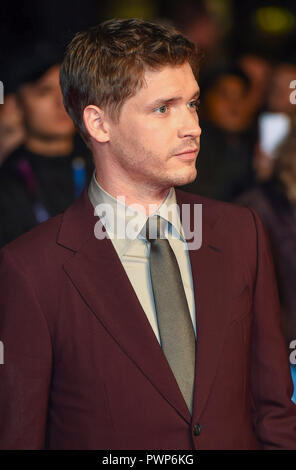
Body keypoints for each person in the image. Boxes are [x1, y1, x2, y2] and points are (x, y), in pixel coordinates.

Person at [0, 18, 295, 450]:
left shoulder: (240, 232)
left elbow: (273, 408)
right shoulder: (31, 269)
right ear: (99, 124)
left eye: (192, 104)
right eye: (163, 108)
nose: (192, 126)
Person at [0, 42, 93, 246]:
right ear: (16, 105)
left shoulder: (103, 166)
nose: (60, 102)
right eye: (44, 92)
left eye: (66, 89)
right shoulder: (9, 181)